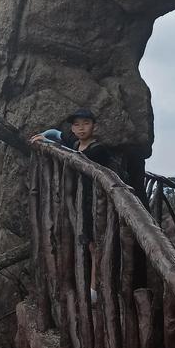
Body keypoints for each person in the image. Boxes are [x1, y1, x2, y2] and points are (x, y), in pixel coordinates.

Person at [31, 108, 114, 302]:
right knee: (87, 243)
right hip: (79, 201)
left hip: (96, 202)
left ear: (94, 126)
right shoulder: (76, 143)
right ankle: (89, 287)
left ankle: (95, 290)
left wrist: (49, 143)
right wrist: (43, 136)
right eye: (76, 125)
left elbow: (77, 159)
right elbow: (56, 133)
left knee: (95, 245)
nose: (81, 128)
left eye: (86, 123)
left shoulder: (98, 150)